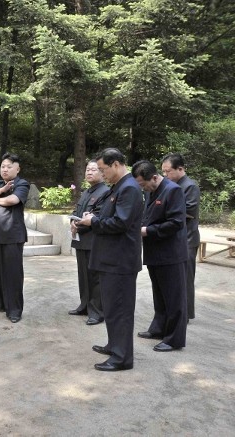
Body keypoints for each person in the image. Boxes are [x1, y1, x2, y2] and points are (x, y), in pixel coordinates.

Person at [78, 148, 143, 371]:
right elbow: (110, 217)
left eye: (103, 169)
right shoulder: (119, 187)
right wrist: (94, 217)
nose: (101, 173)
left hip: (120, 261)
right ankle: (115, 345)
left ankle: (122, 358)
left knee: (120, 309)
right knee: (112, 308)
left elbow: (120, 223)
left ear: (116, 164)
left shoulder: (130, 189)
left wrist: (92, 222)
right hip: (110, 260)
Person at [132, 160, 188, 352]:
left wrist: (148, 231)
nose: (142, 188)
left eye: (142, 184)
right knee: (160, 294)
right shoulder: (150, 191)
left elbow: (176, 223)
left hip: (170, 253)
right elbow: (148, 215)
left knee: (174, 298)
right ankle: (158, 328)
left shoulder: (173, 190)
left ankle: (173, 339)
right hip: (154, 252)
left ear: (154, 177)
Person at [0, 152, 30, 324]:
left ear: (18, 168)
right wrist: (0, 191)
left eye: (9, 166)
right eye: (3, 166)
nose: (5, 169)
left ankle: (14, 310)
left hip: (12, 235)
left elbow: (12, 201)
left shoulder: (22, 184)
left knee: (13, 274)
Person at [69, 160, 110, 325]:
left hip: (95, 240)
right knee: (83, 276)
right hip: (81, 240)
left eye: (94, 169)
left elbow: (98, 216)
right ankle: (84, 305)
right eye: (87, 169)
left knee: (95, 278)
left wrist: (78, 225)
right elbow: (76, 211)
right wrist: (72, 222)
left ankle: (97, 311)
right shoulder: (86, 191)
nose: (89, 172)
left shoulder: (105, 192)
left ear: (102, 173)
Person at [161, 153, 200, 320]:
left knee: (185, 278)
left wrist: (164, 214)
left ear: (180, 169)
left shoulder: (190, 186)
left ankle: (186, 313)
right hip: (174, 239)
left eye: (168, 171)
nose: (165, 175)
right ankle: (175, 310)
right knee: (174, 279)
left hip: (188, 239)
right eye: (163, 172)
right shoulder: (170, 186)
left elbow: (189, 211)